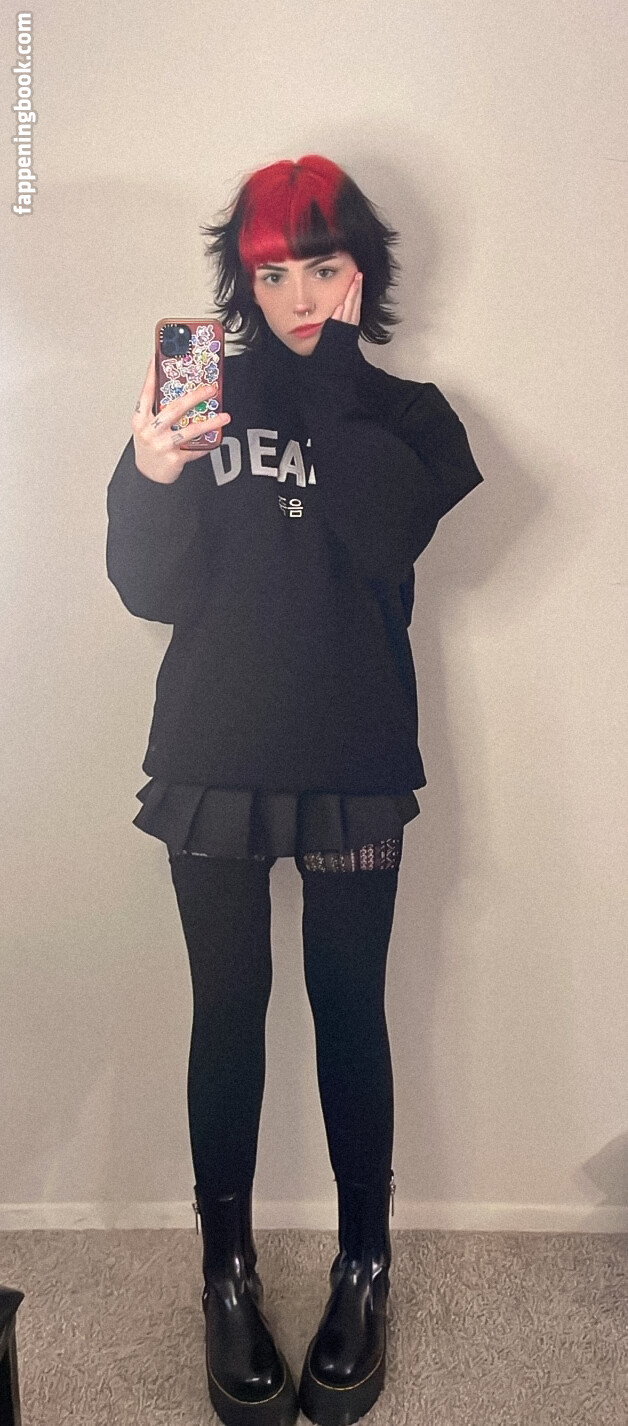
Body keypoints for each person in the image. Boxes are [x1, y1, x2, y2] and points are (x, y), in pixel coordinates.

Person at [105, 154, 484, 1426]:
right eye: (272, 274)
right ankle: (225, 1275)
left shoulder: (411, 417)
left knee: (348, 1012)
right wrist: (152, 470)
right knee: (227, 1012)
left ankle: (364, 1266)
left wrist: (324, 386)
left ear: (362, 269)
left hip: (351, 756)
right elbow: (148, 589)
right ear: (243, 281)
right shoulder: (200, 401)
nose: (300, 296)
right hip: (212, 750)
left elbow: (381, 536)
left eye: (322, 267)